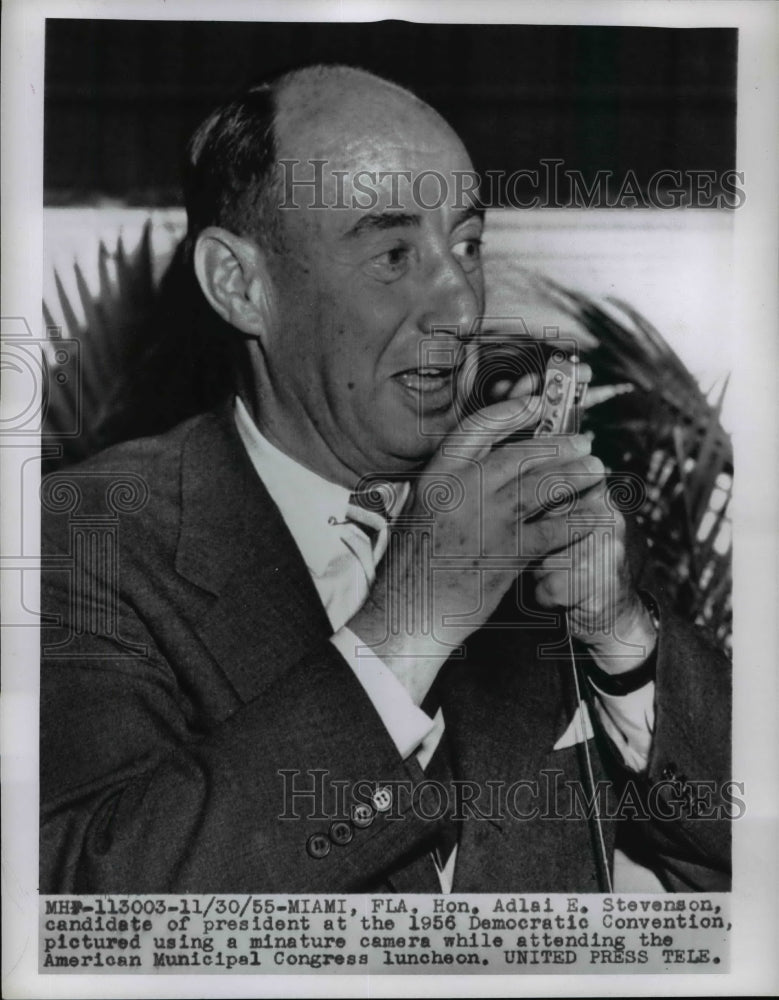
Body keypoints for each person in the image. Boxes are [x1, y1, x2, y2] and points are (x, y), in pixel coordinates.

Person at [40, 64, 731, 894]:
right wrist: (404, 633)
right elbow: (84, 906)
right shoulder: (84, 538)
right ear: (240, 285)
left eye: (467, 245)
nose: (462, 308)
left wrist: (622, 642)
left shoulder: (540, 512)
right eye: (393, 253)